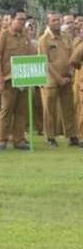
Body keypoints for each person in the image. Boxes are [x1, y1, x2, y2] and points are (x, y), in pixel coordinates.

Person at [0, 9, 34, 151]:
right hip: (8, 79)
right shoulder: (3, 35)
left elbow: (32, 56)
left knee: (21, 111)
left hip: (23, 79)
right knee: (6, 110)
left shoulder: (26, 36)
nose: (22, 22)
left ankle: (19, 140)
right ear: (11, 20)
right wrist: (0, 80)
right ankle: (2, 140)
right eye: (19, 19)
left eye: (24, 20)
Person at [38, 12, 79, 148]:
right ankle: (50, 137)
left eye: (58, 20)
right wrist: (58, 78)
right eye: (54, 20)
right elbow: (45, 62)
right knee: (49, 110)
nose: (57, 22)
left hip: (67, 78)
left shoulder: (66, 37)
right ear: (48, 22)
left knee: (68, 109)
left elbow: (73, 56)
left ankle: (72, 136)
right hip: (51, 80)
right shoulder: (44, 40)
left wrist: (70, 73)